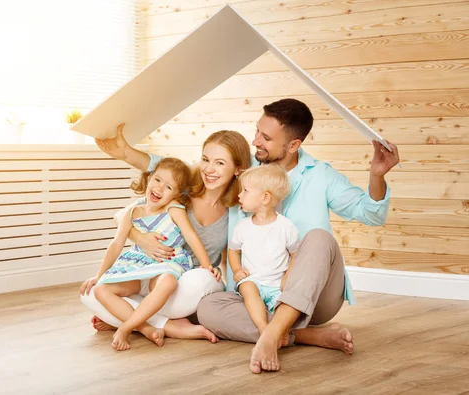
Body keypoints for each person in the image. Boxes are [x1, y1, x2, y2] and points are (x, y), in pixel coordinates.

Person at [189, 98, 400, 373]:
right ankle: (298, 335)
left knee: (319, 239)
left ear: (293, 145)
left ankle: (273, 334)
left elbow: (371, 214)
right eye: (256, 131)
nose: (255, 142)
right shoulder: (243, 170)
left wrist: (377, 176)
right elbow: (187, 173)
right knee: (207, 308)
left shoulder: (320, 175)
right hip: (256, 296)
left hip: (314, 300)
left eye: (265, 137)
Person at [80, 125, 252, 342]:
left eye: (220, 163)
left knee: (200, 280)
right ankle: (166, 325)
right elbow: (126, 215)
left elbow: (230, 258)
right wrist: (141, 239)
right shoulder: (180, 193)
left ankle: (126, 319)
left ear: (237, 169)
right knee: (91, 291)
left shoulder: (238, 210)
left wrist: (225, 287)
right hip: (149, 273)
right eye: (206, 159)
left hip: (186, 278)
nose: (209, 169)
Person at [80, 157, 218, 351]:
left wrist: (206, 265)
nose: (160, 188)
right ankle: (145, 328)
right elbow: (116, 244)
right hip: (136, 266)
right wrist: (99, 275)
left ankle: (126, 327)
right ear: (150, 177)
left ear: (177, 194)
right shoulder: (133, 211)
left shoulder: (174, 210)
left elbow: (192, 238)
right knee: (101, 290)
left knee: (168, 282)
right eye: (158, 180)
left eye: (169, 187)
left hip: (163, 267)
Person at [228, 165, 299, 337]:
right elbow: (233, 250)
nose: (239, 195)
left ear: (265, 198)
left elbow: (296, 254)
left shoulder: (286, 226)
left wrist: (288, 277)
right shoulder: (242, 226)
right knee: (248, 288)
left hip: (277, 286)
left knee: (286, 307)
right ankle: (263, 329)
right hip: (252, 281)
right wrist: (237, 270)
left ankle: (279, 330)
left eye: (245, 191)